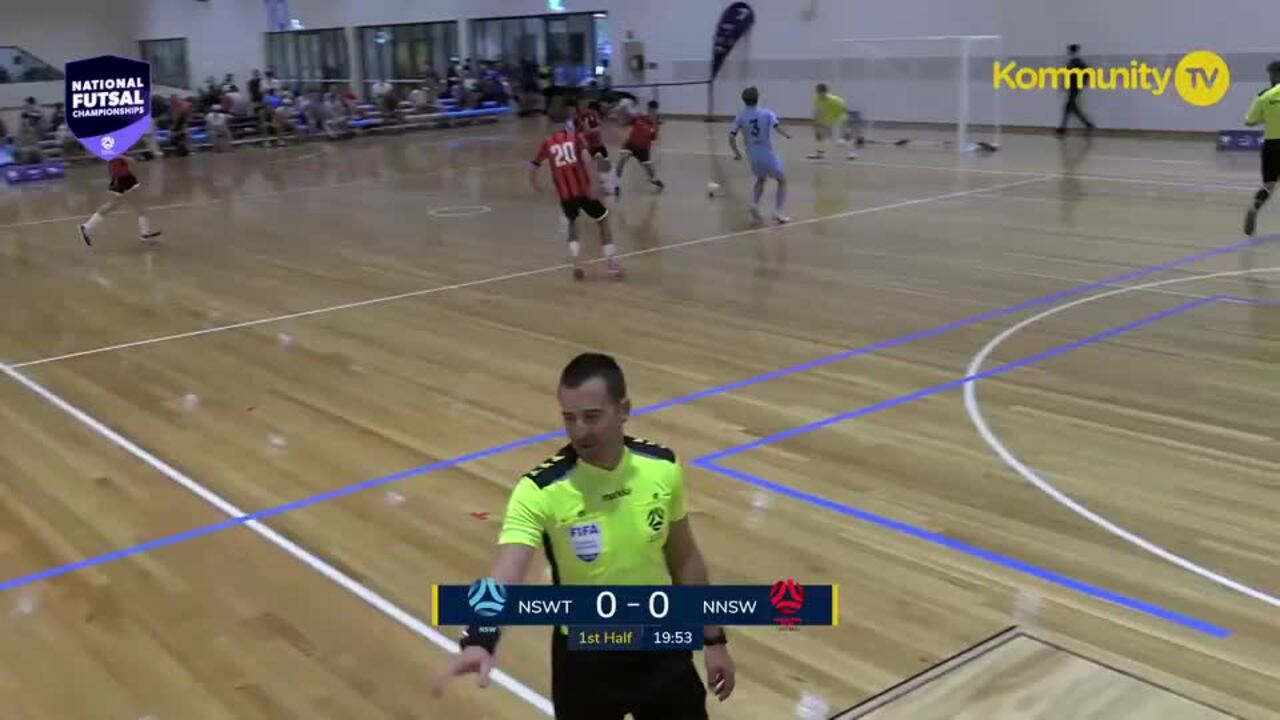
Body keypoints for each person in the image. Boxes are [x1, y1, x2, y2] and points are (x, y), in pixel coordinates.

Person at [433, 352, 735, 719]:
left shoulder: (662, 467)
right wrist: (481, 637)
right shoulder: (539, 490)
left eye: (592, 417)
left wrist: (713, 639)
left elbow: (684, 557)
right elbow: (506, 570)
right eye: (569, 418)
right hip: (585, 662)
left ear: (623, 409)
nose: (579, 431)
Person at [531, 103, 621, 280]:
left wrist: (537, 186)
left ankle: (577, 262)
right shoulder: (576, 138)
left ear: (549, 122)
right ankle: (611, 261)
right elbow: (587, 160)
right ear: (567, 120)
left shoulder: (547, 143)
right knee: (603, 220)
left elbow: (534, 167)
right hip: (583, 190)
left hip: (566, 194)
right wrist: (595, 184)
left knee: (572, 223)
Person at [729, 86, 792, 224]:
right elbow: (777, 127)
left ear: (744, 100)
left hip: (752, 154)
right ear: (758, 98)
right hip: (766, 152)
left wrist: (737, 153)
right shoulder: (767, 113)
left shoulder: (740, 116)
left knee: (761, 179)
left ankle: (754, 203)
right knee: (782, 180)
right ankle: (779, 212)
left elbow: (731, 136)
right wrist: (787, 134)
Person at [79, 155, 162, 247]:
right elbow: (131, 162)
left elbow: (111, 166)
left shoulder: (113, 150)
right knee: (138, 205)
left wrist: (114, 176)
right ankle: (145, 234)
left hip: (122, 178)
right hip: (124, 179)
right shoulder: (116, 150)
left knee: (114, 205)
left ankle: (87, 227)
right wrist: (127, 159)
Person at [1244, 60, 1280, 236]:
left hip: (1271, 145)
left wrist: (1266, 117)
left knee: (1268, 186)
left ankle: (1255, 208)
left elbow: (1249, 121)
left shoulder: (1263, 96)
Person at [615, 100, 664, 195]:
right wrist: (622, 112)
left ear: (656, 111)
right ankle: (615, 183)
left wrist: (649, 130)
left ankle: (654, 181)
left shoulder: (655, 125)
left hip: (643, 149)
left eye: (653, 110)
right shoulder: (640, 118)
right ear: (648, 109)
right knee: (622, 160)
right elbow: (626, 121)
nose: (651, 112)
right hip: (630, 145)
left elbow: (653, 138)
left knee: (649, 171)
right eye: (650, 110)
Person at [809, 83, 857, 160]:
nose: (818, 94)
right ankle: (819, 153)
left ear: (825, 92)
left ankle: (852, 153)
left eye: (819, 92)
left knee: (839, 141)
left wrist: (846, 121)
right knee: (819, 135)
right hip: (826, 121)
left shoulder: (834, 100)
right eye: (817, 92)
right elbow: (817, 111)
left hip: (839, 121)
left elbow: (844, 109)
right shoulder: (817, 100)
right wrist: (816, 121)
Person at [577, 100, 615, 194]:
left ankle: (605, 185)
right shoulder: (586, 118)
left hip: (598, 145)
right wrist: (598, 128)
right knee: (589, 165)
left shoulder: (594, 117)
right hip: (591, 146)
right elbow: (588, 130)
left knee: (603, 164)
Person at [1056, 44, 1095, 137]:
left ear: (1072, 51)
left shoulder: (1077, 62)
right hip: (1073, 87)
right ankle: (1087, 124)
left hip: (1075, 88)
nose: (1068, 52)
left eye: (1069, 51)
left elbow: (1088, 72)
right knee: (1071, 107)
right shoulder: (1072, 62)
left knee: (1069, 107)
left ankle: (1063, 128)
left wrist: (1081, 83)